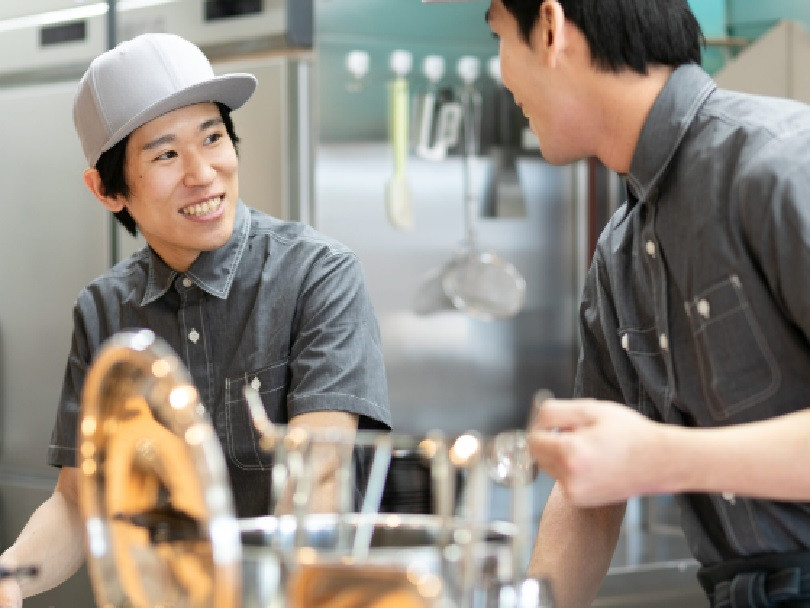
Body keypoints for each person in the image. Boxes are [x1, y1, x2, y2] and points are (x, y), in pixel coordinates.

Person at [0, 32, 390, 606]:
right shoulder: (103, 310)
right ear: (107, 190)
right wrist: (9, 574)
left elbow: (318, 482)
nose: (203, 172)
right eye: (165, 154)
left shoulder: (318, 276)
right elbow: (80, 500)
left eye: (213, 137)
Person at [484, 0, 810, 607]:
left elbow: (643, 459)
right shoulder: (618, 254)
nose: (501, 75)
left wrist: (662, 457)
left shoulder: (782, 162)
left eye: (500, 37)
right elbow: (587, 497)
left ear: (551, 30)